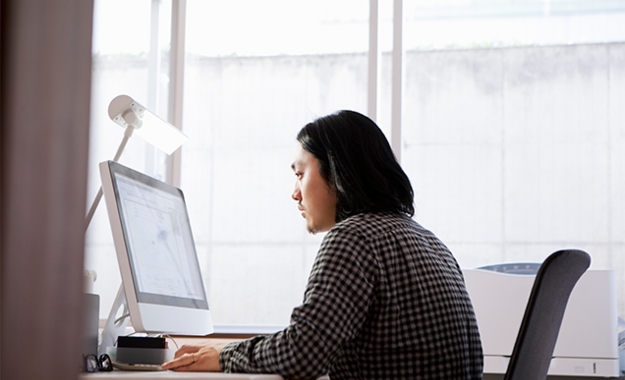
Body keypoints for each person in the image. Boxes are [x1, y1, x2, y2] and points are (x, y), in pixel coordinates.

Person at [162, 110, 483, 379]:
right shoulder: (428, 241)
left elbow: (303, 353)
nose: (295, 193)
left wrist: (223, 357)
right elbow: (315, 338)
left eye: (300, 174)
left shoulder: (354, 237)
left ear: (339, 172)